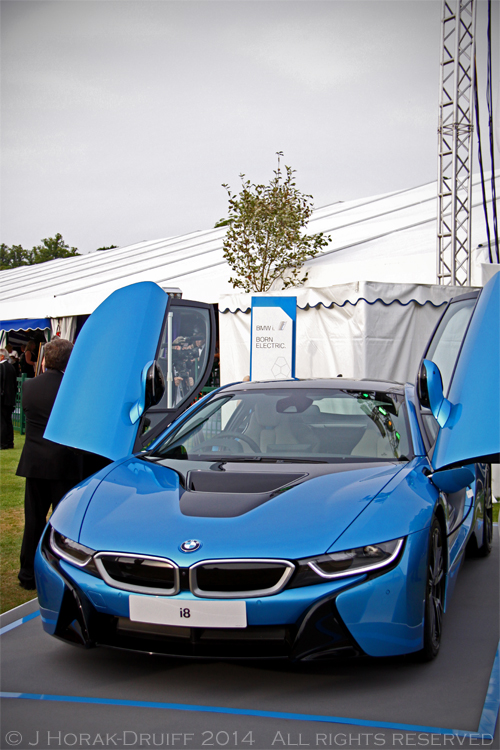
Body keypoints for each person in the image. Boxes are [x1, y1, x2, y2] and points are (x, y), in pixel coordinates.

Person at [16, 338, 82, 590]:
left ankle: (27, 573)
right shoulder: (72, 388)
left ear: (45, 359)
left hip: (35, 462)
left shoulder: (31, 386)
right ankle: (58, 569)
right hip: (64, 463)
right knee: (63, 521)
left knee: (33, 518)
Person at [0, 348, 17, 450]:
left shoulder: (1, 367)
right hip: (10, 398)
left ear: (2, 356)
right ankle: (10, 442)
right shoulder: (11, 367)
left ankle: (3, 443)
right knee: (8, 421)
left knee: (2, 421)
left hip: (2, 398)